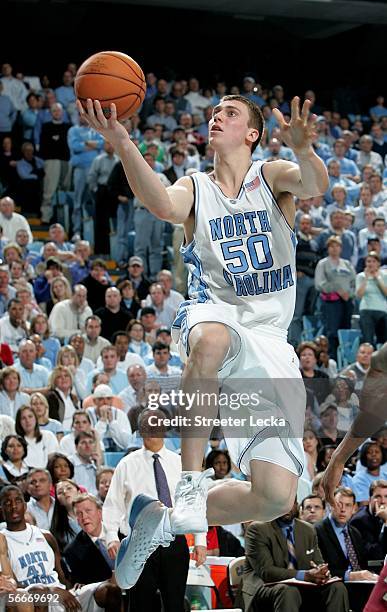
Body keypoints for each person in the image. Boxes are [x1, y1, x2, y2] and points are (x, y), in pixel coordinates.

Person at [79, 92, 329, 588]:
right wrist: (123, 142)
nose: (217, 117)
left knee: (276, 496)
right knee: (211, 341)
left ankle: (165, 521)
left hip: (271, 338)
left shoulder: (273, 175)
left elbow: (315, 183)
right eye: (214, 112)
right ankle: (190, 483)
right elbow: (162, 204)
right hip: (214, 314)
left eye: (229, 114)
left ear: (253, 134)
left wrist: (304, 150)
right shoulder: (196, 186)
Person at [103, 408, 205, 610]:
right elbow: (113, 503)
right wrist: (111, 536)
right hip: (140, 541)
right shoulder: (127, 464)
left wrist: (200, 540)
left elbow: (195, 503)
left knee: (175, 603)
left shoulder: (181, 463)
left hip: (174, 541)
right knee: (141, 603)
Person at [239, 499, 349, 612]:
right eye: (281, 503)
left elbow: (318, 562)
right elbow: (266, 572)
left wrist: (321, 573)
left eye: (290, 503)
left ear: (296, 505)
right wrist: (305, 575)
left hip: (301, 588)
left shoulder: (308, 530)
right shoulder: (258, 529)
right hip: (264, 587)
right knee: (289, 592)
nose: (286, 507)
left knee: (337, 588)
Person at [315, 486, 378, 612]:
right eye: (339, 504)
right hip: (334, 586)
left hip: (360, 586)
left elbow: (364, 562)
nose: (343, 509)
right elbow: (319, 568)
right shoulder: (317, 531)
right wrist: (352, 576)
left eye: (348, 505)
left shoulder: (355, 533)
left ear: (354, 509)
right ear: (330, 505)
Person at [63, 492, 125, 612]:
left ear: (100, 513)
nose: (84, 517)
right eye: (79, 514)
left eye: (88, 511)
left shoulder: (122, 531)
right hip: (107, 599)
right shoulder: (72, 551)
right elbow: (84, 584)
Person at [349, 478, 387, 563]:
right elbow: (376, 554)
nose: (383, 501)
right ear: (370, 499)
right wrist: (386, 523)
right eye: (378, 496)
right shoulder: (359, 521)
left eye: (386, 496)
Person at [356, 251, 387, 345]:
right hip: (366, 310)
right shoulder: (360, 276)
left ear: (378, 263)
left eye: (374, 261)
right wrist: (366, 278)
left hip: (383, 311)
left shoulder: (385, 275)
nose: (371, 264)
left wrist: (378, 278)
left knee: (384, 342)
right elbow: (359, 295)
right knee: (368, 340)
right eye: (368, 261)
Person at [51, 479, 82, 552]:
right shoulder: (57, 529)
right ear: (58, 501)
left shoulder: (96, 513)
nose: (65, 492)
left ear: (79, 492)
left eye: (69, 488)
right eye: (60, 492)